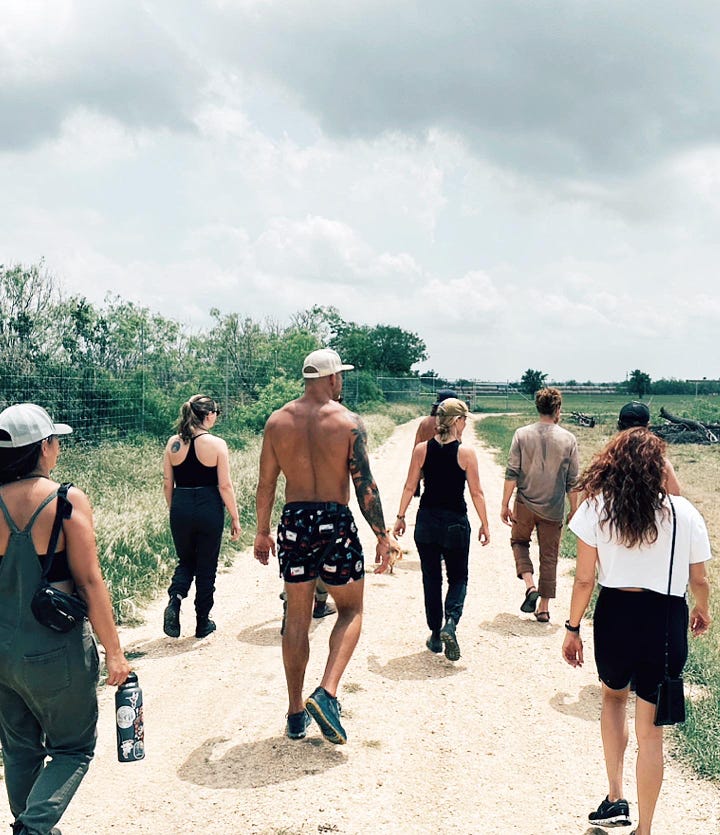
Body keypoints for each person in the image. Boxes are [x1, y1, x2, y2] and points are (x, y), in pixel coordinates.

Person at [562, 428, 711, 835]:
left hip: (616, 614)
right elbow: (699, 578)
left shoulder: (596, 507)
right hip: (665, 619)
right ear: (660, 468)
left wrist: (572, 627)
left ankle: (614, 797)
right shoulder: (685, 512)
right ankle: (644, 829)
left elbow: (583, 580)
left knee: (613, 698)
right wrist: (702, 610)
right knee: (653, 734)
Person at [254, 348, 398, 744]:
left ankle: (295, 712)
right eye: (341, 378)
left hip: (295, 522)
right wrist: (382, 537)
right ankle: (328, 692)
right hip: (334, 520)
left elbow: (266, 484)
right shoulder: (349, 423)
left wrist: (262, 530)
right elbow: (364, 483)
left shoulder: (277, 421)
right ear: (333, 379)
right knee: (351, 609)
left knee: (297, 620)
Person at [0, 403, 131, 835]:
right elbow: (90, 583)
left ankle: (28, 822)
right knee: (74, 748)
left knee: (19, 750)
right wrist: (115, 653)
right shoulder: (65, 500)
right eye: (55, 440)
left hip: (2, 652)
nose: (58, 447)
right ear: (42, 447)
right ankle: (33, 829)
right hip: (56, 653)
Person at [393, 398, 490, 660]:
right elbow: (477, 492)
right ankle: (451, 623)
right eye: (465, 419)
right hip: (455, 523)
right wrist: (485, 523)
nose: (466, 424)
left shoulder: (422, 450)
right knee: (458, 577)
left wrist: (401, 516)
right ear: (457, 421)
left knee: (431, 578)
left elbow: (409, 487)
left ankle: (435, 634)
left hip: (426, 522)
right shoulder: (465, 453)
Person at [162, 395, 241, 639]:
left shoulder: (173, 443)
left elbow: (167, 482)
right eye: (216, 412)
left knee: (186, 561)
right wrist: (235, 517)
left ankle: (175, 600)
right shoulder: (217, 444)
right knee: (206, 566)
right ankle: (202, 622)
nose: (216, 416)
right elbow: (225, 485)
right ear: (208, 415)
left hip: (181, 505)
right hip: (208, 506)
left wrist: (174, 508)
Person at [501, 387, 579, 622]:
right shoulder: (568, 439)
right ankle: (543, 607)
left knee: (519, 541)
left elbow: (512, 472)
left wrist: (505, 504)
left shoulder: (521, 434)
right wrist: (574, 509)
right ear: (557, 409)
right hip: (553, 507)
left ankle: (530, 585)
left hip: (525, 502)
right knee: (549, 555)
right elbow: (573, 481)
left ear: (538, 407)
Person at [617, 401, 681, 495]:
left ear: (619, 425)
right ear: (648, 426)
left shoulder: (605, 461)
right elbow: (675, 494)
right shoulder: (660, 462)